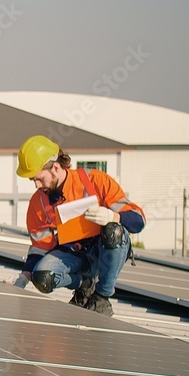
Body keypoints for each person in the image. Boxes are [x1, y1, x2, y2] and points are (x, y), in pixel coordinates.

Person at [16, 135, 146, 316]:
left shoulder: (95, 181)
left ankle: (101, 298)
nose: (37, 185)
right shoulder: (38, 203)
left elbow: (138, 221)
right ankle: (84, 285)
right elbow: (40, 247)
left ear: (55, 167)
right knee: (43, 278)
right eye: (33, 181)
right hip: (74, 256)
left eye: (39, 179)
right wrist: (25, 276)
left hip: (104, 252)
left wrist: (113, 215)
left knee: (114, 231)